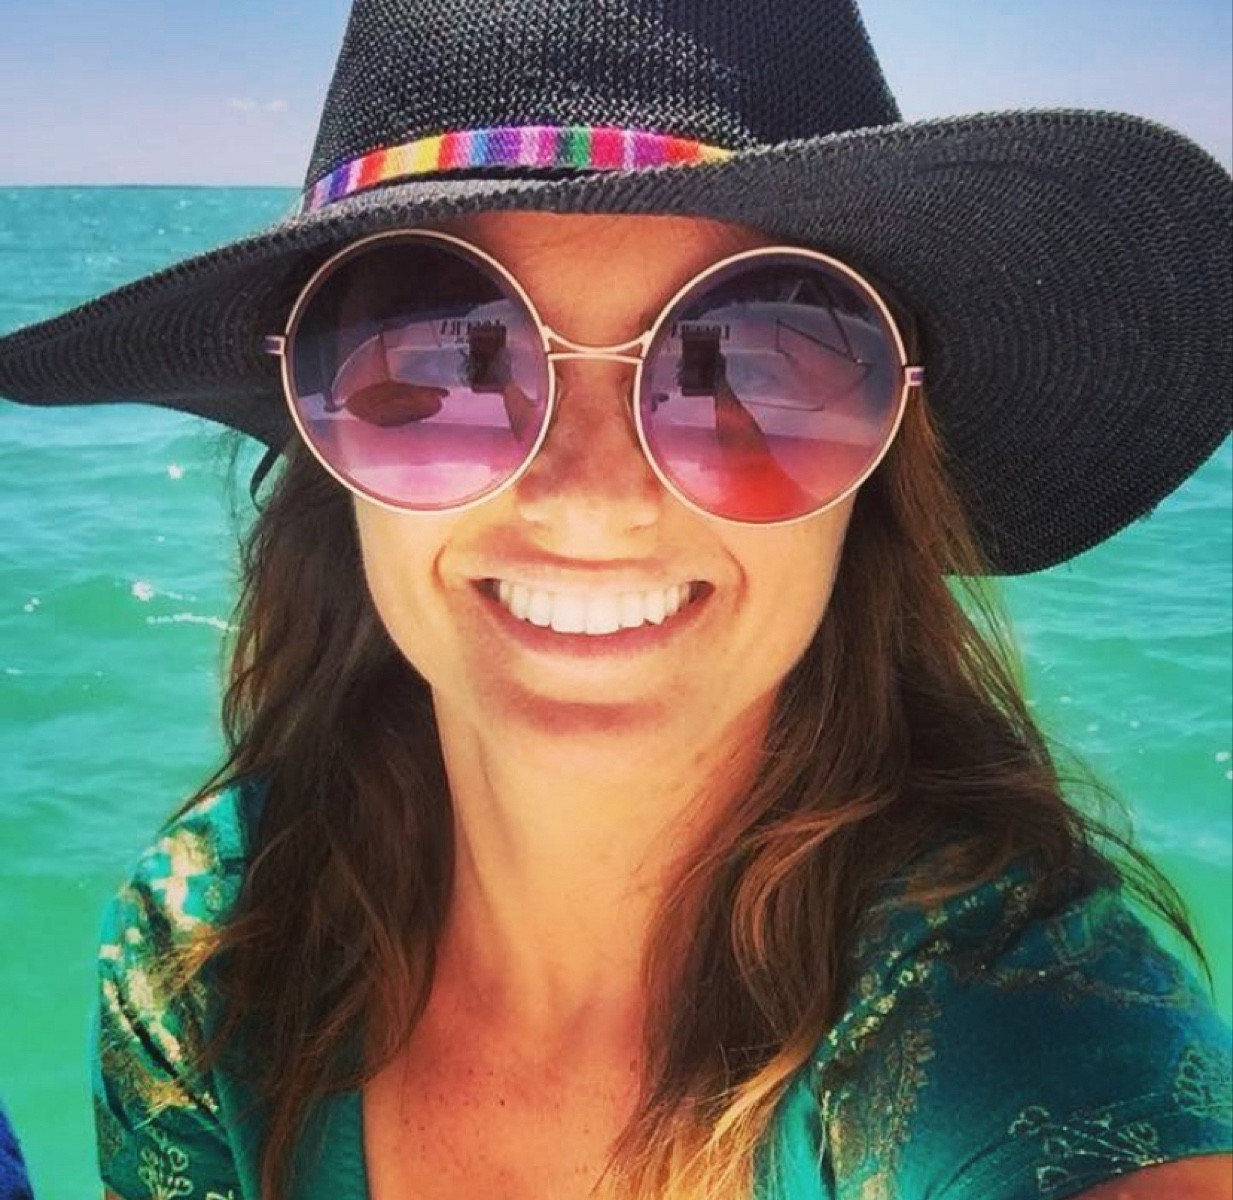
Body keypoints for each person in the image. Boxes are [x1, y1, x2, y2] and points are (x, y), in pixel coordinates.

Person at [1, 2, 1231, 1198]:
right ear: (326, 447)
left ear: (881, 468)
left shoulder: (1018, 1023)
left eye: (748, 366)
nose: (591, 505)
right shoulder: (205, 956)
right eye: (443, 361)